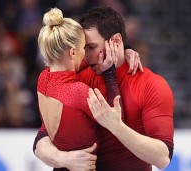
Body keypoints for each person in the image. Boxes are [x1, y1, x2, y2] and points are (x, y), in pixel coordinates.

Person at [33, 6, 174, 171]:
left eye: (91, 47)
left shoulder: (151, 85)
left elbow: (163, 157)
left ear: (115, 41)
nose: (85, 56)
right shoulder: (76, 78)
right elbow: (42, 138)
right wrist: (64, 159)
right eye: (83, 48)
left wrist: (116, 127)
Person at [35, 7, 122, 171]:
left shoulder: (43, 79)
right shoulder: (77, 91)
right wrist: (110, 73)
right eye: (85, 48)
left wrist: (127, 50)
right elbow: (115, 119)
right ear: (73, 52)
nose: (87, 55)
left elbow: (71, 65)